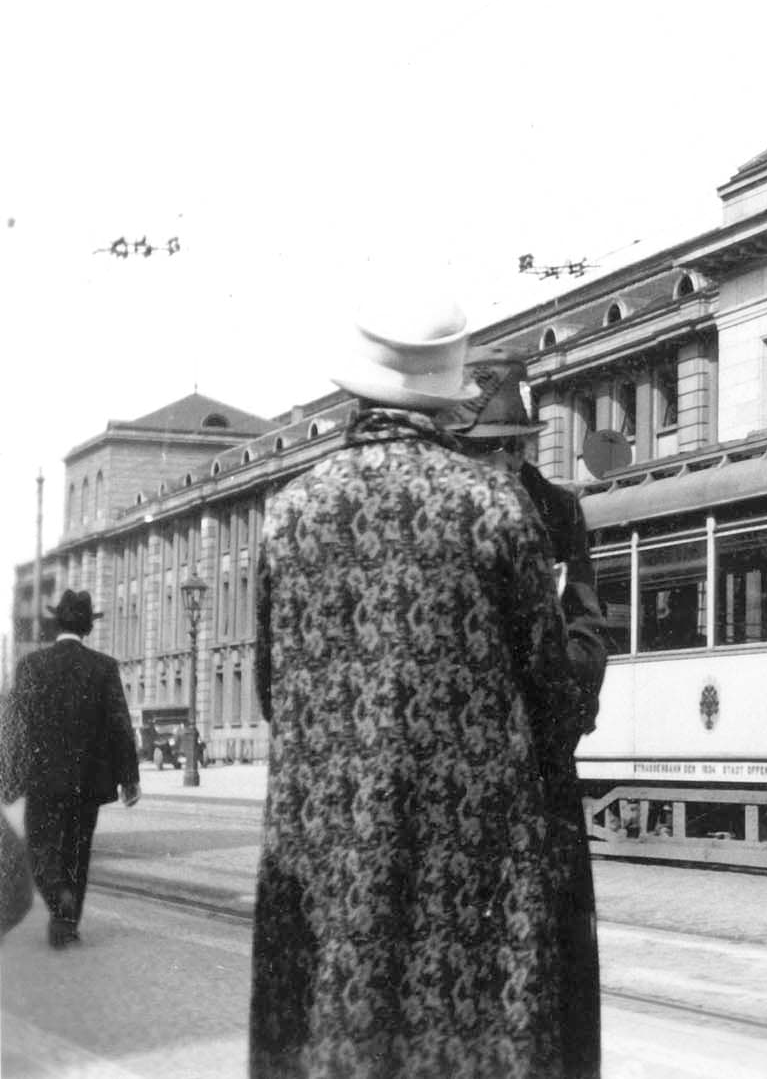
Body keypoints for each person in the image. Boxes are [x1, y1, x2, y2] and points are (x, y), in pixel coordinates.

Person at [249, 297, 594, 1079]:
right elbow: (547, 687)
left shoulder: (289, 510)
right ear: (443, 394)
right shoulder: (495, 507)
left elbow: (272, 688)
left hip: (325, 847)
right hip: (467, 852)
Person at [440, 345, 607, 1077]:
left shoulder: (558, 510)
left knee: (557, 956)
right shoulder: (442, 509)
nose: (504, 464)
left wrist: (563, 696)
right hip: (457, 776)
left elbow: (590, 628)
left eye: (514, 447)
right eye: (488, 450)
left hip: (541, 768)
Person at [0, 590, 141, 948]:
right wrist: (130, 779)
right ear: (87, 627)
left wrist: (9, 778)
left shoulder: (31, 666)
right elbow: (120, 725)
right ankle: (68, 922)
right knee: (77, 852)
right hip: (86, 783)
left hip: (43, 781)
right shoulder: (104, 667)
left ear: (56, 624)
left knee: (41, 849)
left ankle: (56, 899)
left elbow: (16, 725)